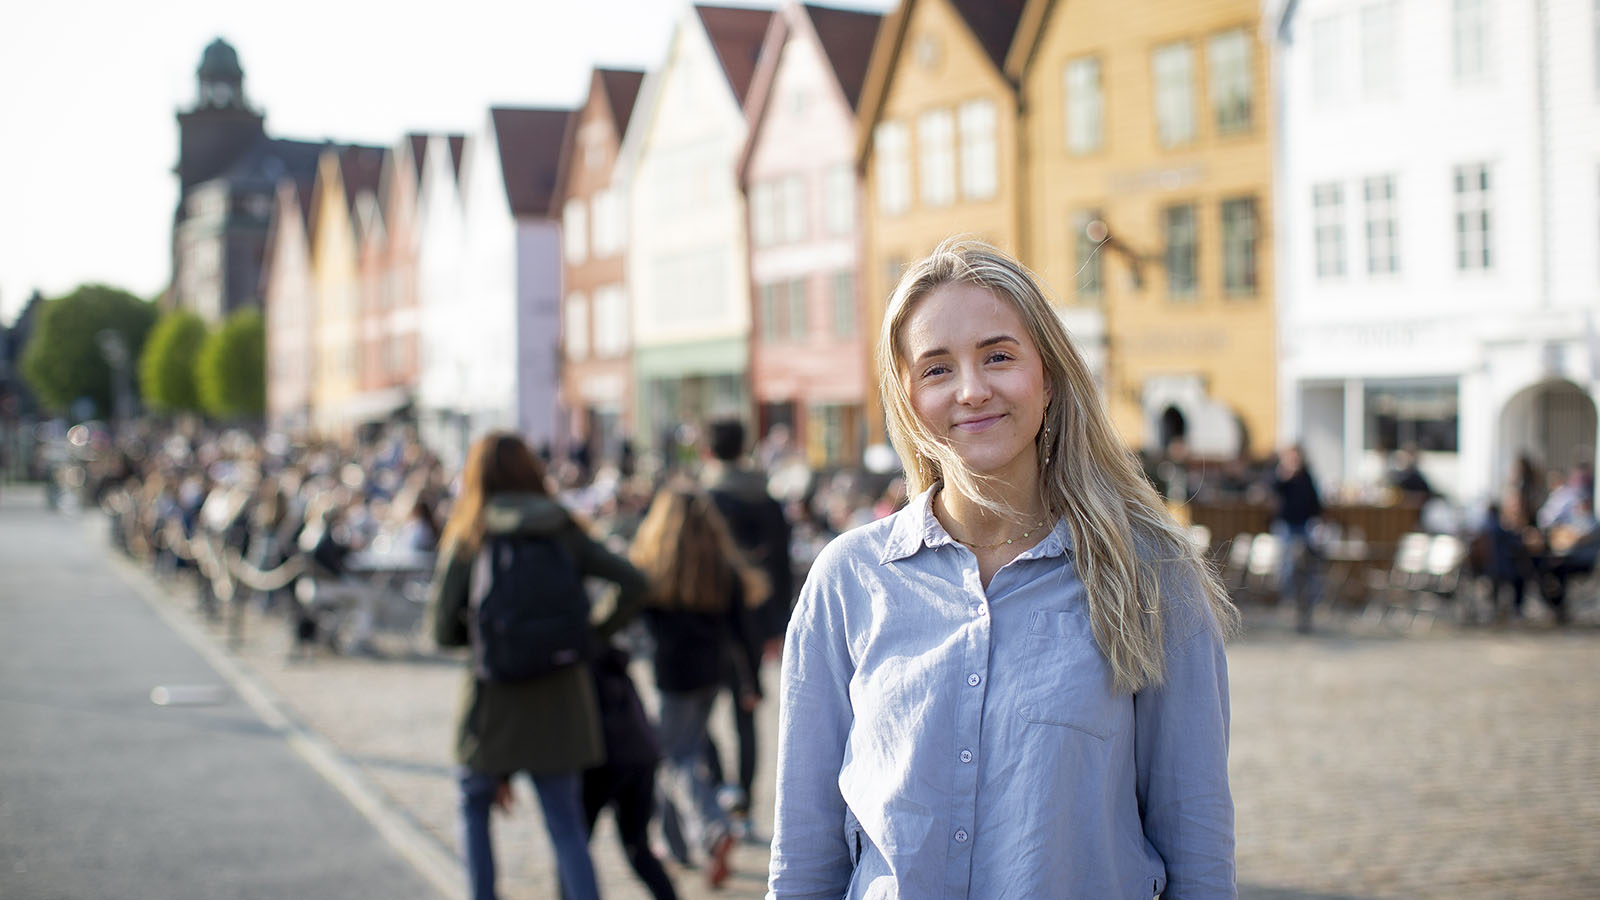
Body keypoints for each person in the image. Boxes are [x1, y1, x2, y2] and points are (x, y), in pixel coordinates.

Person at [767, 240, 1241, 898]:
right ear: (907, 398)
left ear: (1046, 376)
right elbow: (806, 853)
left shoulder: (1154, 576)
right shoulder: (848, 581)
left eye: (998, 356)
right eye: (937, 369)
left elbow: (1196, 842)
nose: (971, 389)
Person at [429, 431, 648, 900]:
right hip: (561, 694)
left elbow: (442, 629)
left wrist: (490, 640)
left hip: (491, 698)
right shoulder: (560, 527)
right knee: (567, 826)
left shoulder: (472, 530)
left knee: (473, 806)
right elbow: (633, 581)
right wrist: (590, 636)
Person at [629, 488, 765, 889]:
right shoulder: (721, 566)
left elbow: (636, 617)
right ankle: (674, 845)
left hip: (672, 675)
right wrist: (750, 682)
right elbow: (745, 632)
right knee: (684, 750)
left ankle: (711, 828)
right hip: (712, 674)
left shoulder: (655, 565)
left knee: (676, 757)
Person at [702, 417, 793, 837]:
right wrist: (776, 620)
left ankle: (721, 790)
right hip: (755, 618)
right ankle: (745, 807)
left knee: (699, 713)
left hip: (709, 618)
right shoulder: (765, 496)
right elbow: (779, 563)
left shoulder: (705, 497)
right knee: (747, 707)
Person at [1272, 444, 1323, 633]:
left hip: (1304, 526)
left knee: (1308, 568)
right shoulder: (1281, 476)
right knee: (1288, 566)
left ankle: (1307, 606)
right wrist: (1284, 476)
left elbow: (1316, 504)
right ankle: (1290, 599)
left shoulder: (1307, 477)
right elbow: (1274, 491)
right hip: (1287, 525)